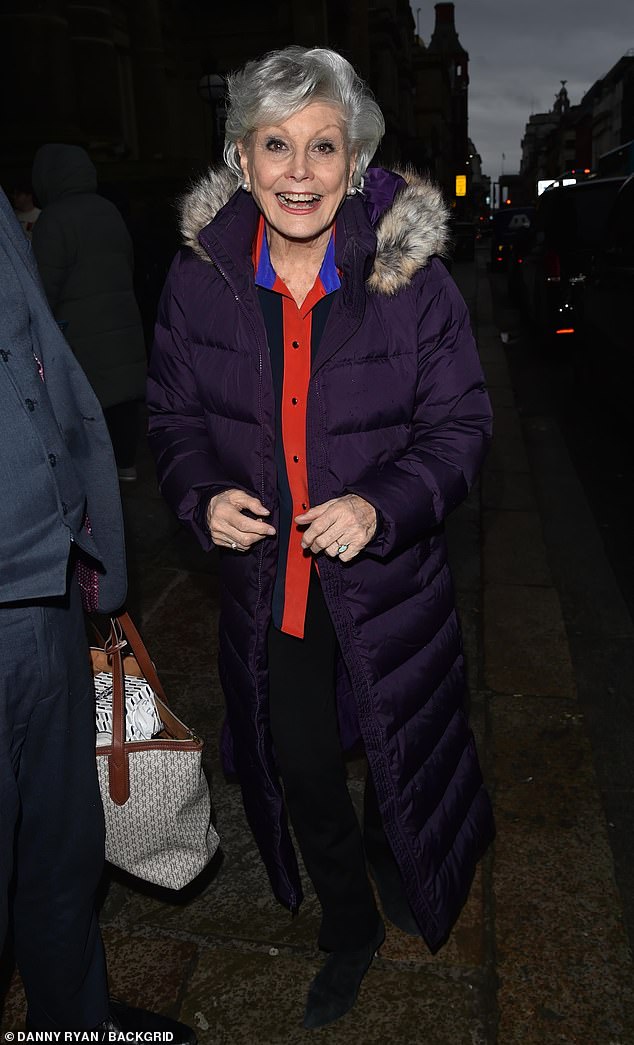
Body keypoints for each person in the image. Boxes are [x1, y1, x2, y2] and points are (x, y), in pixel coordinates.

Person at [147, 45, 495, 1030]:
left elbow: (463, 424)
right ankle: (348, 926)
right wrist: (200, 492)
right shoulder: (201, 279)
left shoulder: (407, 276)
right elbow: (172, 421)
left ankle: (404, 856)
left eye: (323, 147)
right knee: (300, 759)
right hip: (275, 582)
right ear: (241, 157)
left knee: (404, 742)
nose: (298, 171)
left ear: (354, 160)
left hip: (389, 578)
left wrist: (381, 502)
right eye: (275, 145)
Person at [0, 186, 195, 1041]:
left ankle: (71, 1024)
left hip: (40, 584)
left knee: (61, 850)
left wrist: (87, 537)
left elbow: (32, 340)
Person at [30, 143, 147, 481]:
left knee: (90, 405)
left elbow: (43, 287)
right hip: (120, 322)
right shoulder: (108, 210)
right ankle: (126, 464)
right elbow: (129, 264)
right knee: (121, 398)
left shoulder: (54, 219)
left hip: (81, 334)